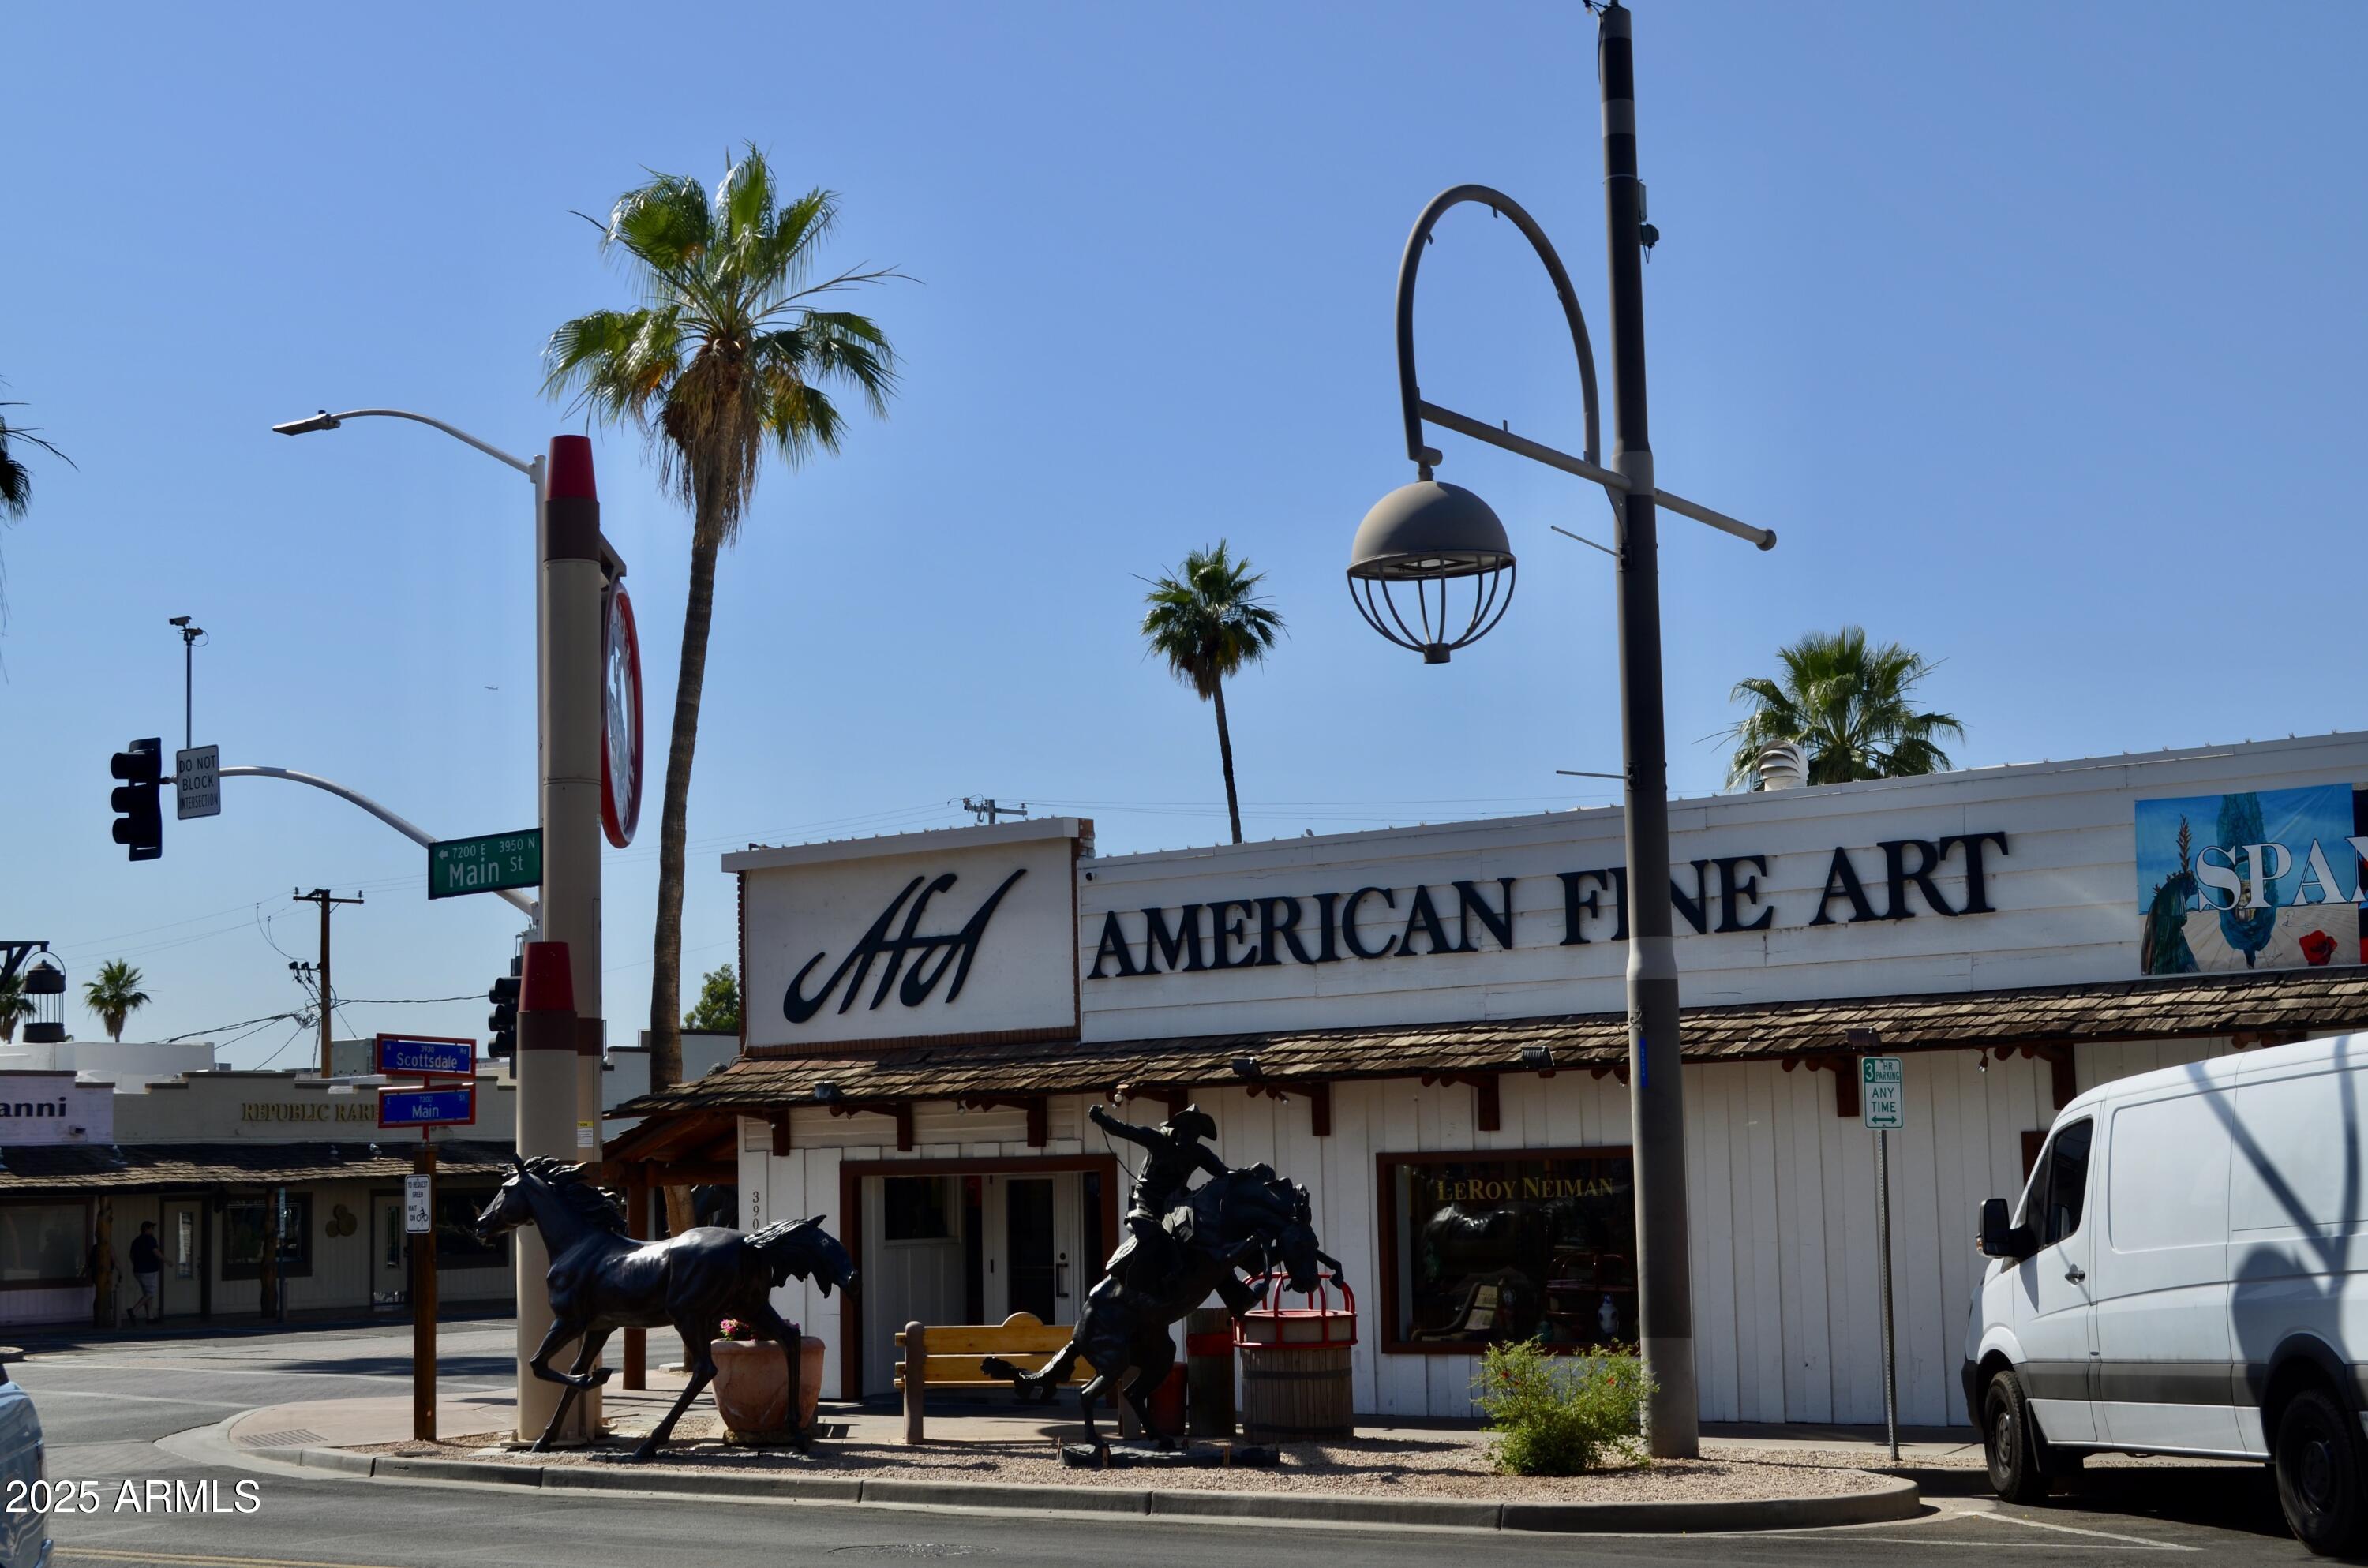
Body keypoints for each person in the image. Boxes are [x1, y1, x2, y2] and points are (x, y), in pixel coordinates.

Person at [1088, 1100, 1227, 1297]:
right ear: (1178, 1129)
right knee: (1156, 1233)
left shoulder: (1198, 1153)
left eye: (1195, 1134)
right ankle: (1161, 1278)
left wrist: (1248, 1174)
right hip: (1145, 1201)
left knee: (1201, 1234)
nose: (1191, 1138)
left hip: (1174, 1203)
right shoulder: (1158, 1140)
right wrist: (1101, 1119)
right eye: (1188, 1132)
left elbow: (1224, 1173)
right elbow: (1126, 1130)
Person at [127, 1221, 162, 1327]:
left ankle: (150, 1317)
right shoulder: (151, 1240)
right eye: (152, 1228)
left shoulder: (136, 1241)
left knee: (147, 1294)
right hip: (149, 1271)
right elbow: (156, 1252)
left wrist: (136, 1264)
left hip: (138, 1271)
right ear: (147, 1229)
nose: (153, 1230)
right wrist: (167, 1260)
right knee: (150, 1294)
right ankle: (133, 1310)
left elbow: (131, 1255)